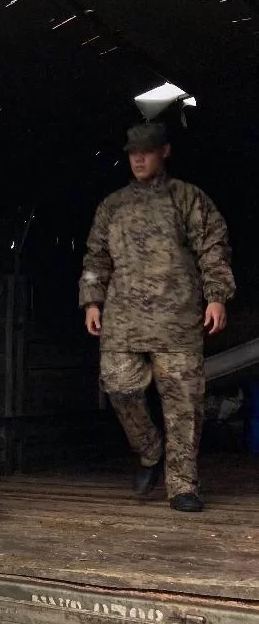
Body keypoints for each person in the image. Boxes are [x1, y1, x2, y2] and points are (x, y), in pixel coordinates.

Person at [79, 122, 235, 512]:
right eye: (132, 151)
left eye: (146, 151)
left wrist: (217, 297)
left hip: (179, 320)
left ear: (164, 151)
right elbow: (96, 256)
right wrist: (92, 301)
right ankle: (151, 451)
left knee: (184, 404)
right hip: (123, 320)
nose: (138, 158)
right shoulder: (112, 205)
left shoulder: (187, 198)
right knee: (118, 386)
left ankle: (182, 484)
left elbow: (213, 248)